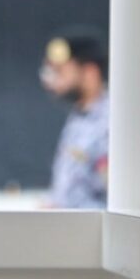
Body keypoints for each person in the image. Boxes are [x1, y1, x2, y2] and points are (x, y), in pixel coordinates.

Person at [41, 30, 110, 209]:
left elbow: (116, 205)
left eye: (61, 70)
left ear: (90, 72)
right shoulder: (79, 117)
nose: (54, 79)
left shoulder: (112, 123)